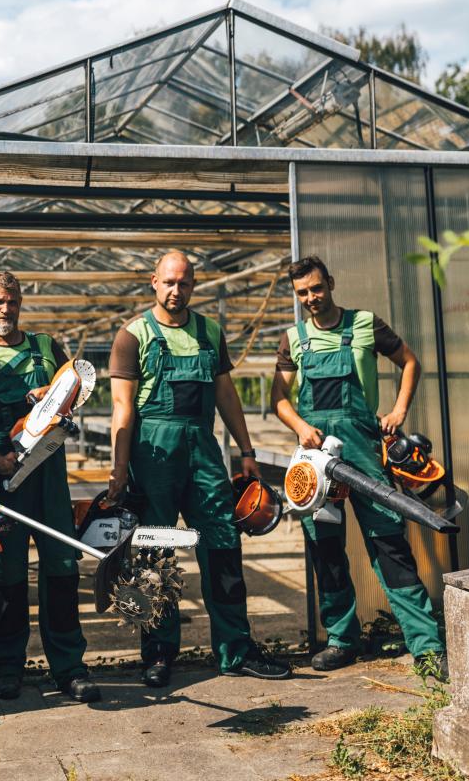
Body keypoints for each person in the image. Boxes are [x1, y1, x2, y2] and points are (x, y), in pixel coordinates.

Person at [107, 250, 292, 687]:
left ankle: (235, 649)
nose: (176, 290)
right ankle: (157, 653)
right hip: (153, 454)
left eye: (184, 283)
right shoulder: (133, 335)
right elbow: (121, 407)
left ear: (194, 285)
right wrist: (118, 470)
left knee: (223, 544)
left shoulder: (210, 331)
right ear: (153, 281)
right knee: (156, 550)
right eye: (169, 282)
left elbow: (226, 394)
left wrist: (246, 450)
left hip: (203, 452)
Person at [270, 255, 448, 680]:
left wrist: (398, 410)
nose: (311, 298)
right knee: (327, 549)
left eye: (316, 288)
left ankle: (425, 646)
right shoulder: (293, 339)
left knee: (389, 543)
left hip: (364, 451)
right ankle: (341, 641)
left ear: (330, 283)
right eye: (302, 293)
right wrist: (300, 426)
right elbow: (278, 399)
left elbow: (410, 362)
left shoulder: (366, 324)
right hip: (317, 460)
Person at [0, 271, 101, 704]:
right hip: (1, 478)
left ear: (20, 302)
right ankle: (8, 667)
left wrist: (56, 396)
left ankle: (69, 667)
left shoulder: (47, 348)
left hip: (49, 476)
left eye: (11, 301)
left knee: (61, 567)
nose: (4, 309)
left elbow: (80, 393)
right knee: (6, 575)